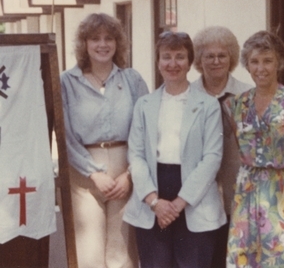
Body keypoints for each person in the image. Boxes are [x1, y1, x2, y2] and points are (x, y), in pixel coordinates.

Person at [123, 30, 226, 268]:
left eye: (180, 57)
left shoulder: (208, 105)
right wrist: (154, 202)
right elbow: (135, 155)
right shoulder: (144, 105)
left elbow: (212, 158)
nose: (173, 64)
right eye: (166, 57)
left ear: (190, 62)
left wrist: (178, 204)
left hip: (193, 196)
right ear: (158, 62)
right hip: (153, 193)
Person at [61, 13, 148, 268]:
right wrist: (93, 173)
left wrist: (130, 175)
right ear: (84, 44)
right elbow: (64, 133)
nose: (102, 44)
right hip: (84, 173)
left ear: (117, 43)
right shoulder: (68, 82)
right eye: (95, 38)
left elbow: (145, 130)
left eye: (109, 38)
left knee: (122, 253)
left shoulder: (132, 79)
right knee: (88, 253)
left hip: (125, 169)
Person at [226, 30, 284, 268]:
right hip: (247, 193)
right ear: (247, 65)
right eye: (254, 61)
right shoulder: (237, 104)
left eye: (268, 61)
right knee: (247, 258)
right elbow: (242, 145)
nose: (261, 68)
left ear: (279, 63)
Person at [191, 26, 252, 268]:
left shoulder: (246, 94)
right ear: (199, 60)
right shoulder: (188, 94)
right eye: (209, 56)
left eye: (222, 55)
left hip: (237, 192)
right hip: (199, 195)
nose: (216, 61)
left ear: (232, 58)